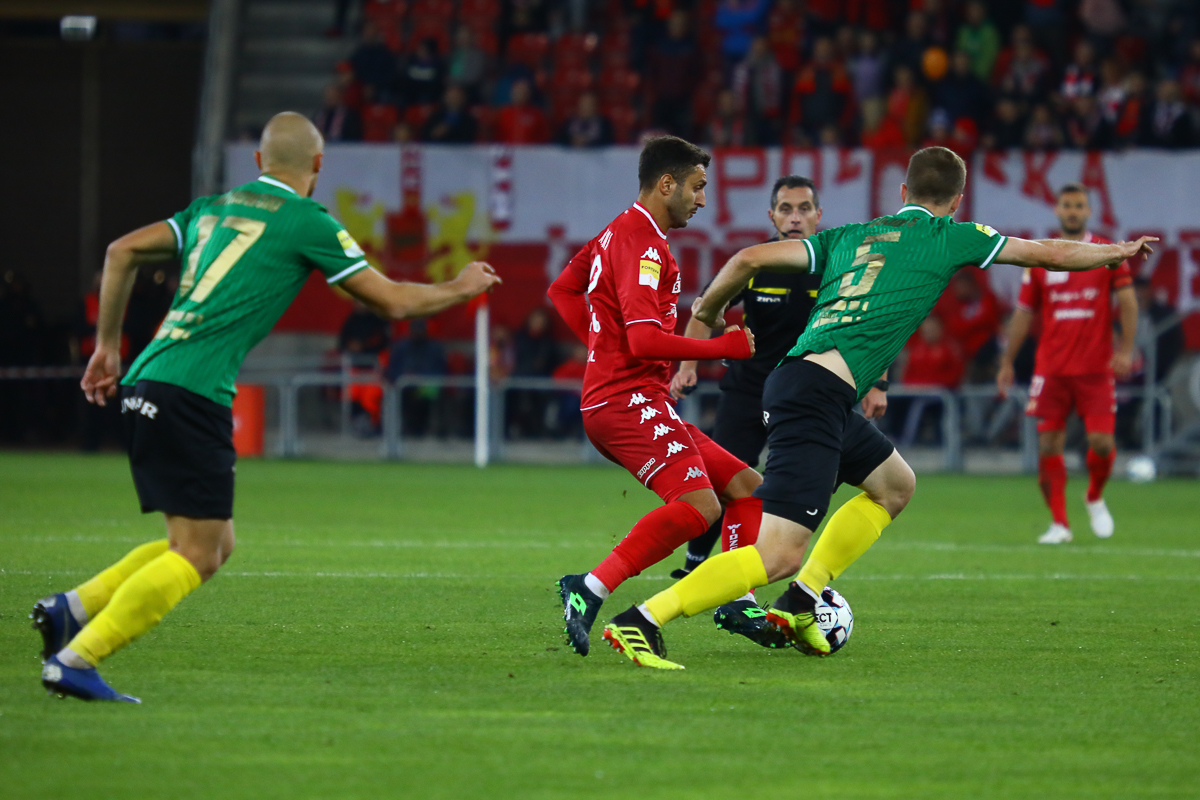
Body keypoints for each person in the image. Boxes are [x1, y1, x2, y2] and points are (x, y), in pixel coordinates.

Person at [597, 146, 1155, 669]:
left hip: (816, 389)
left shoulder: (853, 235)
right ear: (957, 201)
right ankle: (642, 619)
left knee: (894, 485)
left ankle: (801, 599)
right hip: (811, 396)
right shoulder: (951, 236)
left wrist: (710, 310)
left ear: (905, 189)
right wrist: (1117, 252)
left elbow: (746, 258)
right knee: (778, 553)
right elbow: (1048, 252)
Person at [32, 112, 501, 702]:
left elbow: (121, 250)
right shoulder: (306, 221)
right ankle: (77, 658)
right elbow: (393, 303)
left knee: (213, 543)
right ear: (319, 166)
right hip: (193, 391)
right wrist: (459, 286)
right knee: (197, 554)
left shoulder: (209, 209)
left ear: (258, 163)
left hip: (149, 378)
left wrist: (106, 347)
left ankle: (68, 611)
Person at [546, 136, 761, 659]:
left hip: (632, 397)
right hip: (624, 402)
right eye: (697, 186)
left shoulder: (619, 233)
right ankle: (590, 587)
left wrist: (604, 348)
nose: (702, 199)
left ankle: (737, 598)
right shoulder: (642, 243)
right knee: (697, 508)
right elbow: (642, 340)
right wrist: (720, 346)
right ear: (667, 184)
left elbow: (562, 291)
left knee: (747, 488)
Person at [666, 176, 887, 635]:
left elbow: (870, 324)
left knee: (816, 486)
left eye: (804, 208)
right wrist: (687, 364)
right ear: (771, 217)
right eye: (786, 208)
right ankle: (698, 564)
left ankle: (754, 573)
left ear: (818, 216)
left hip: (813, 396)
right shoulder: (755, 263)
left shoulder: (835, 266)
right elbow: (706, 308)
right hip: (749, 390)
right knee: (721, 482)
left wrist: (877, 383)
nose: (795, 217)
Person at [996, 184, 1137, 544]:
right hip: (1052, 369)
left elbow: (1129, 301)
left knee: (1102, 443)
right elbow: (1024, 312)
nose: (1072, 211)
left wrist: (1125, 348)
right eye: (1067, 205)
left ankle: (1094, 496)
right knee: (1048, 447)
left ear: (1088, 211)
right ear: (1057, 210)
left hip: (1095, 368)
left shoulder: (1107, 251)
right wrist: (1007, 361)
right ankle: (1060, 524)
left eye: (1079, 205)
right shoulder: (1043, 255)